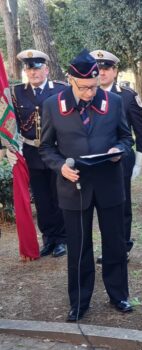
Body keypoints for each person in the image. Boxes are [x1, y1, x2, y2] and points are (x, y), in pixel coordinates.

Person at [39, 49, 134, 321]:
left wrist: (119, 149)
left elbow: (127, 139)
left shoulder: (113, 102)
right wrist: (61, 167)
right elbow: (46, 148)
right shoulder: (52, 106)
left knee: (114, 243)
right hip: (74, 187)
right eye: (84, 88)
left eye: (94, 86)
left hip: (109, 184)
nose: (91, 93)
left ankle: (119, 295)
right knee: (79, 247)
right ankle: (79, 301)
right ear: (70, 80)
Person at [9, 49, 68, 258]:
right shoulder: (16, 93)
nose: (32, 73)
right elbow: (11, 122)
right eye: (28, 69)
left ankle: (61, 239)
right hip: (31, 154)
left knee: (57, 197)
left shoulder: (61, 90)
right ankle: (49, 238)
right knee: (42, 200)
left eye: (36, 69)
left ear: (46, 69)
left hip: (55, 152)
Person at [90, 50, 142, 264]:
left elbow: (140, 133)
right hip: (95, 160)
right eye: (98, 69)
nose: (101, 73)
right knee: (101, 206)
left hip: (121, 159)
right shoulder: (88, 95)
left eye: (106, 68)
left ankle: (121, 247)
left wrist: (139, 163)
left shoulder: (127, 96)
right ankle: (108, 247)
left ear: (115, 71)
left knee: (121, 205)